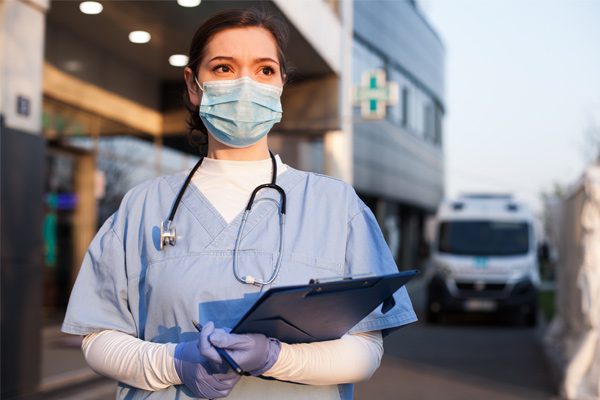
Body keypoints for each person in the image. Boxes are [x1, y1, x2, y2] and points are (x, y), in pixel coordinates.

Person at [62, 8, 416, 400]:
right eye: (224, 68)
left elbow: (365, 350)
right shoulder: (143, 206)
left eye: (264, 70)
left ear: (281, 84)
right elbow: (98, 337)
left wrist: (274, 357)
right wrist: (175, 362)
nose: (246, 84)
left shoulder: (337, 207)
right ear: (194, 86)